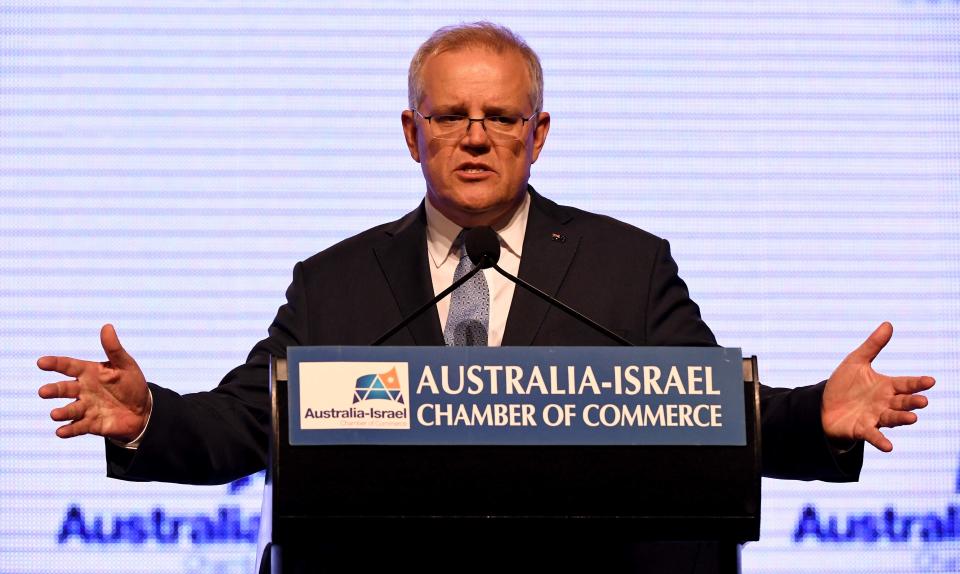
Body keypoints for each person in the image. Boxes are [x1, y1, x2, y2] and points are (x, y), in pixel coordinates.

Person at [37, 20, 934, 569]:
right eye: (450, 117)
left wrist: (816, 412)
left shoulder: (628, 267)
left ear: (537, 134)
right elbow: (247, 422)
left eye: (501, 118)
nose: (475, 137)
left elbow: (702, 410)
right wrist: (151, 416)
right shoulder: (336, 281)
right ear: (411, 132)